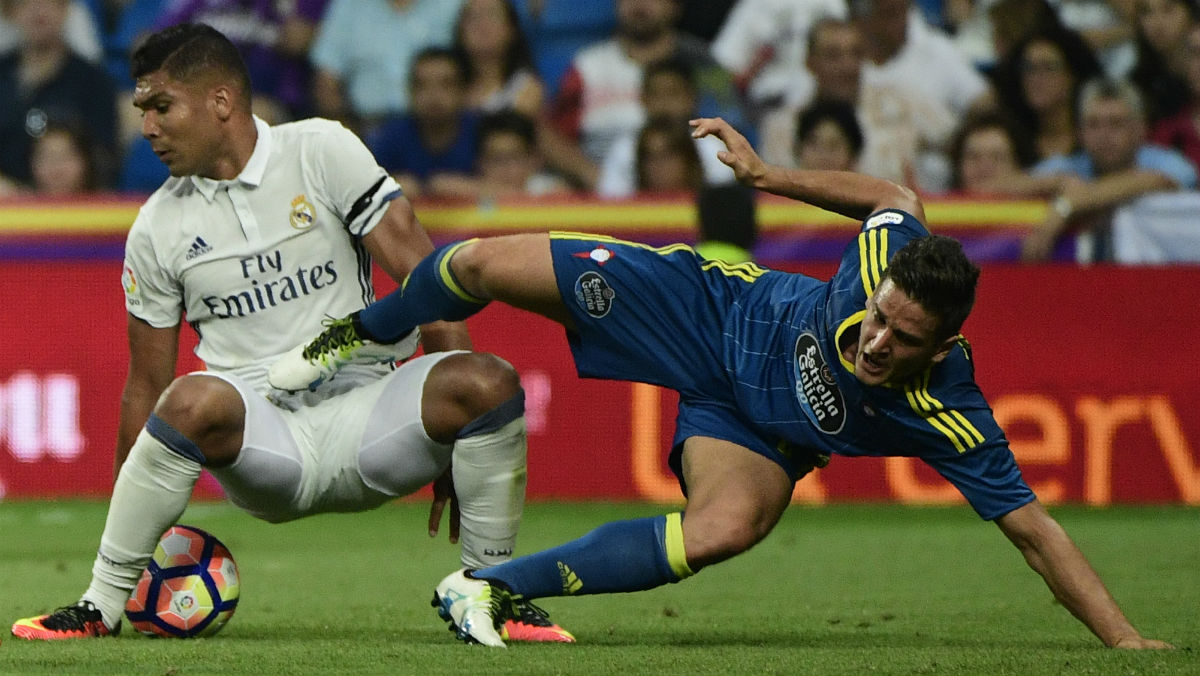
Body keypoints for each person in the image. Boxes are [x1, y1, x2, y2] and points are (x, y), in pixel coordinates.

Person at [267, 116, 1174, 650]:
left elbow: (1033, 529)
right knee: (481, 261)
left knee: (726, 528)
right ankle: (355, 332)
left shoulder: (951, 413)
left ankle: (486, 587)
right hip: (701, 311)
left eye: (903, 341)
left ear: (941, 349)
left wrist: (1127, 644)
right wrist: (768, 175)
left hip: (761, 430)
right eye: (880, 318)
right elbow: (894, 196)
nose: (876, 342)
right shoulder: (885, 259)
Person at [10, 22, 570, 644]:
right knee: (192, 397)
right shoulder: (156, 226)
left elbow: (426, 280)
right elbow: (147, 386)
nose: (147, 128)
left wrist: (455, 446)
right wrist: (130, 537)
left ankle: (493, 592)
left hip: (373, 417)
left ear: (220, 102)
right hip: (265, 443)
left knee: (489, 380)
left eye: (161, 106)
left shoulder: (322, 150)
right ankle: (98, 607)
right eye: (143, 110)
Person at [1022, 77, 1197, 260]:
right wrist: (1058, 181)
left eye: (1116, 123)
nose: (1103, 135)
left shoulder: (1169, 162)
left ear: (1140, 129)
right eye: (1093, 124)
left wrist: (1066, 206)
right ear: (1079, 133)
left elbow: (1156, 180)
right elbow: (1003, 185)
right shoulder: (1068, 167)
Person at [0, 0, 117, 189]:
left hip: (71, 207)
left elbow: (103, 157)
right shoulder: (2, 71)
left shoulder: (93, 81)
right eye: (26, 3)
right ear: (10, 12)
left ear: (65, 9)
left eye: (49, 2)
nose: (38, 10)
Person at [366, 47, 480, 199]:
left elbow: (513, 191)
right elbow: (360, 194)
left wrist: (463, 188)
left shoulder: (483, 133)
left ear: (464, 90)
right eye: (422, 85)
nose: (433, 95)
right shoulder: (390, 136)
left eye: (446, 85)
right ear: (409, 92)